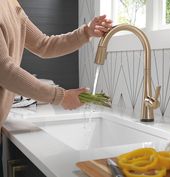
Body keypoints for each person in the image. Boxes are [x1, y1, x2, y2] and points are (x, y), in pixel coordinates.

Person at [0, 0, 112, 175]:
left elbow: (44, 45)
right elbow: (4, 70)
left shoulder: (11, 5)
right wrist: (59, 96)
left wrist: (86, 32)